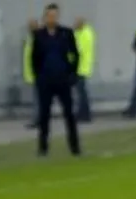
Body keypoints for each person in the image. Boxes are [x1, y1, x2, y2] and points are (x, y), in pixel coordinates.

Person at [30, 3, 80, 157]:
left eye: (55, 15)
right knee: (44, 116)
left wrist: (72, 73)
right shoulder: (39, 35)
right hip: (46, 81)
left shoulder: (66, 33)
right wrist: (38, 77)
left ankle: (75, 147)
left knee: (69, 115)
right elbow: (34, 58)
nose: (52, 18)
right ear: (45, 17)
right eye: (49, 16)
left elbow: (75, 54)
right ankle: (43, 148)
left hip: (63, 80)